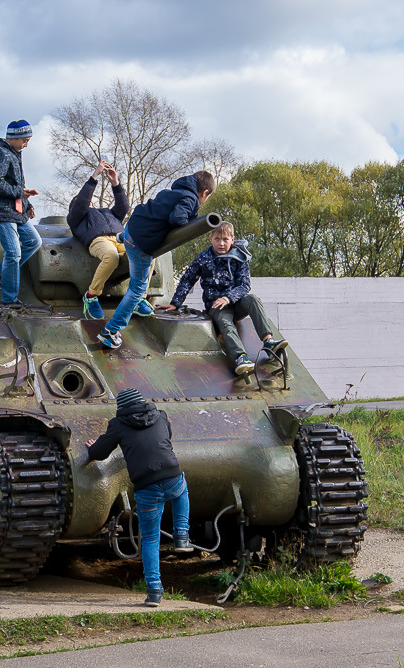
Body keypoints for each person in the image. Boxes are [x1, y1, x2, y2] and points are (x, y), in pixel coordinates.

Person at [85, 387, 192, 607]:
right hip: (172, 476)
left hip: (146, 488)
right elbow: (166, 437)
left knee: (151, 539)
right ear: (142, 401)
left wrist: (92, 447)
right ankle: (182, 535)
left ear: (121, 408)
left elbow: (99, 453)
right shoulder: (161, 416)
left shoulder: (118, 425)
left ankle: (154, 592)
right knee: (182, 490)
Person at [97, 170, 216, 349]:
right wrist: (187, 222)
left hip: (132, 228)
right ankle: (111, 331)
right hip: (141, 244)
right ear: (205, 192)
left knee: (127, 239)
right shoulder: (191, 198)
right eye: (206, 197)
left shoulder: (175, 191)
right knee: (137, 289)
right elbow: (177, 218)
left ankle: (121, 237)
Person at [157, 221, 288, 375]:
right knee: (225, 322)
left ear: (232, 240)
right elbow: (187, 279)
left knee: (253, 299)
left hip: (236, 301)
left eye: (225, 239)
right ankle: (241, 356)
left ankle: (268, 342)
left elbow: (245, 285)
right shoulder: (203, 258)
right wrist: (175, 303)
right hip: (216, 306)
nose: (221, 243)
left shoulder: (240, 257)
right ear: (211, 239)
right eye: (217, 239)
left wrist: (228, 297)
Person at [66, 160, 154, 320]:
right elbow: (82, 201)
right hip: (98, 240)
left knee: (148, 252)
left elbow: (123, 207)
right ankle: (91, 295)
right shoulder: (76, 218)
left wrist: (115, 183)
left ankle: (139, 298)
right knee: (111, 256)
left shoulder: (108, 212)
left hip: (120, 238)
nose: (89, 203)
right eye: (86, 201)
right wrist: (95, 176)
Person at [0, 119, 42, 313]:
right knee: (13, 252)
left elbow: (17, 185)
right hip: (1, 211)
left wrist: (27, 204)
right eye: (25, 140)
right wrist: (19, 193)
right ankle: (8, 300)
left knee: (34, 241)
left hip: (16, 210)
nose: (27, 144)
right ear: (14, 138)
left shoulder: (15, 153)